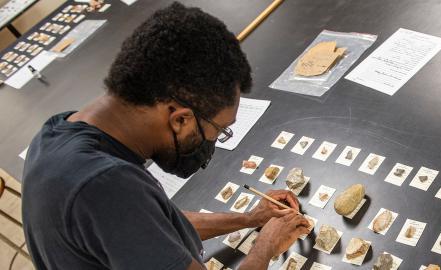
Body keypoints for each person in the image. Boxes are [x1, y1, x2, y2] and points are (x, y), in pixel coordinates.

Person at [21, 2, 310, 269]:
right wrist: (266, 246)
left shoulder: (59, 132)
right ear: (181, 120)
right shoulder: (104, 187)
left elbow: (153, 226)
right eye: (219, 129)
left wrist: (250, 219)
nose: (215, 140)